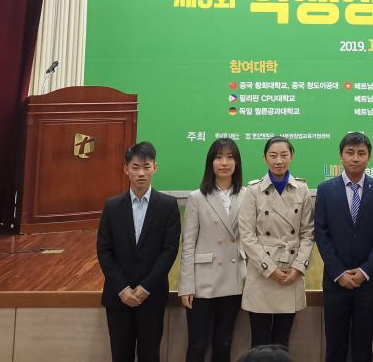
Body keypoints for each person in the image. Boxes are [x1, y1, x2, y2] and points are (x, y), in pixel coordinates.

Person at [97, 142, 182, 362]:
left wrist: (145, 287)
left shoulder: (167, 205)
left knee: (150, 354)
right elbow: (104, 251)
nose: (141, 173)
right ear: (126, 169)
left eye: (146, 167)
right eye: (135, 167)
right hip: (118, 296)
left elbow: (169, 250)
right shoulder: (112, 206)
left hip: (151, 296)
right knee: (120, 355)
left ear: (155, 168)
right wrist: (122, 288)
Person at [315, 131, 373, 362]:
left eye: (361, 153)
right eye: (350, 153)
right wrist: (339, 272)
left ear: (369, 157)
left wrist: (365, 271)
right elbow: (321, 234)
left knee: (363, 346)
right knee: (335, 346)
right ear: (341, 156)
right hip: (335, 282)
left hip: (368, 282)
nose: (355, 158)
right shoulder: (325, 189)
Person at [238, 136, 315, 348]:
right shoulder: (253, 190)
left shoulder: (302, 189)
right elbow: (247, 236)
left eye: (283, 155)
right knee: (259, 343)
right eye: (273, 155)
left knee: (282, 342)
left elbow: (308, 233)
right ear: (265, 158)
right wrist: (269, 269)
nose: (278, 160)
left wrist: (298, 268)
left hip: (290, 273)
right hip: (262, 274)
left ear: (292, 156)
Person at [179, 138, 246, 362]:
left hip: (234, 278)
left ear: (237, 163)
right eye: (218, 157)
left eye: (230, 157)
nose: (224, 162)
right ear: (211, 163)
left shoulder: (247, 195)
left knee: (223, 343)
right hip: (203, 281)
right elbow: (188, 244)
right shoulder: (197, 198)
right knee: (197, 344)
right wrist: (186, 285)